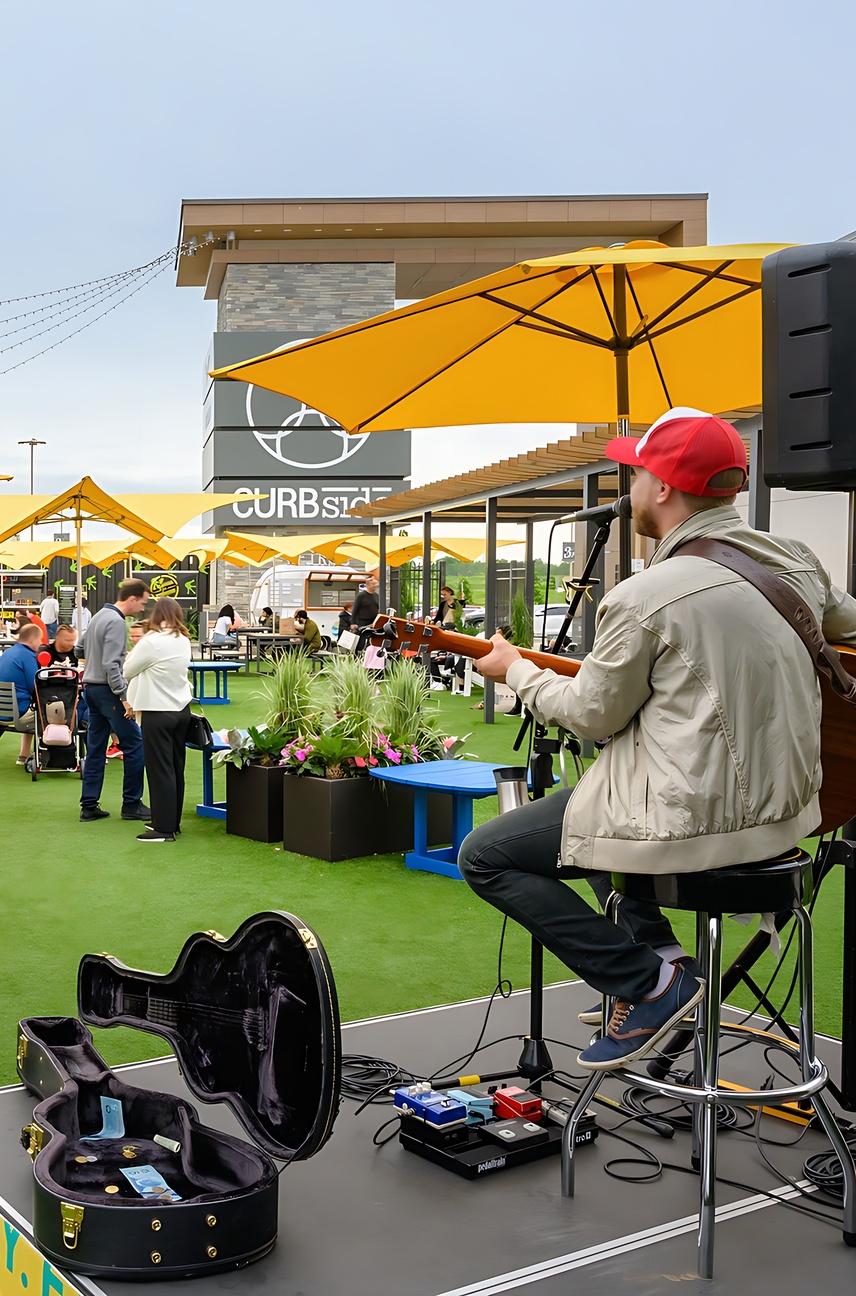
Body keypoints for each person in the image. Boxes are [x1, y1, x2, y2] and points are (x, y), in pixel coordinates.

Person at [460, 408, 856, 1072]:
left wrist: (516, 671)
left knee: (489, 853)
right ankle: (663, 955)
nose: (630, 485)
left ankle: (652, 983)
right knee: (589, 803)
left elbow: (589, 715)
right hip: (790, 819)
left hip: (701, 828)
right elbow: (844, 622)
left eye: (637, 472)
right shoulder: (794, 560)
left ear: (664, 488)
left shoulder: (643, 597)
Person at [79, 578, 150, 824]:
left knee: (96, 748)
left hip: (91, 689)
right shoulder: (117, 622)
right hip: (108, 692)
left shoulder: (98, 615)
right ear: (132, 598)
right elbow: (112, 665)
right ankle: (132, 803)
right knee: (135, 744)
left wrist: (95, 660)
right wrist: (123, 697)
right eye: (143, 602)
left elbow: (79, 648)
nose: (143, 608)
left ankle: (89, 805)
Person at [124, 597, 192, 844]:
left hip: (156, 711)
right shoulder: (183, 640)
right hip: (181, 710)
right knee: (175, 768)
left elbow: (127, 670)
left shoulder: (151, 642)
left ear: (156, 615)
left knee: (159, 770)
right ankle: (171, 821)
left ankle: (163, 828)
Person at [0, 623, 41, 763]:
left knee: (32, 709)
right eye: (39, 640)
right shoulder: (28, 656)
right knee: (44, 713)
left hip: (3, 710)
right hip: (19, 713)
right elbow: (35, 686)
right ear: (34, 640)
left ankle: (23, 755)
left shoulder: (7, 653)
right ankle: (45, 756)